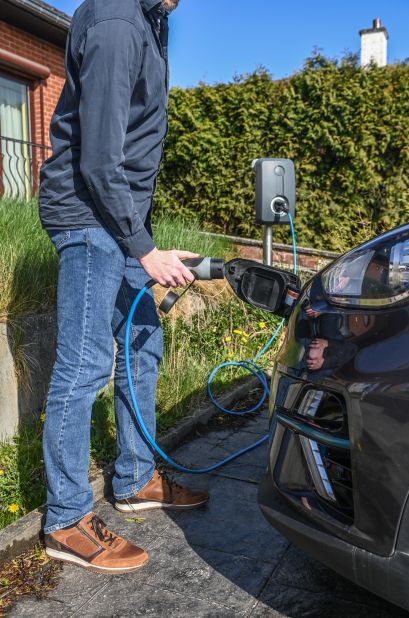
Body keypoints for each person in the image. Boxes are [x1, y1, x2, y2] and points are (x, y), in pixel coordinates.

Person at [38, 0, 208, 574]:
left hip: (118, 216)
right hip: (88, 215)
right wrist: (145, 249)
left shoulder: (152, 20)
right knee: (84, 365)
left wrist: (144, 242)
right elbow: (100, 159)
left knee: (142, 343)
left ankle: (135, 478)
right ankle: (65, 518)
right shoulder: (116, 22)